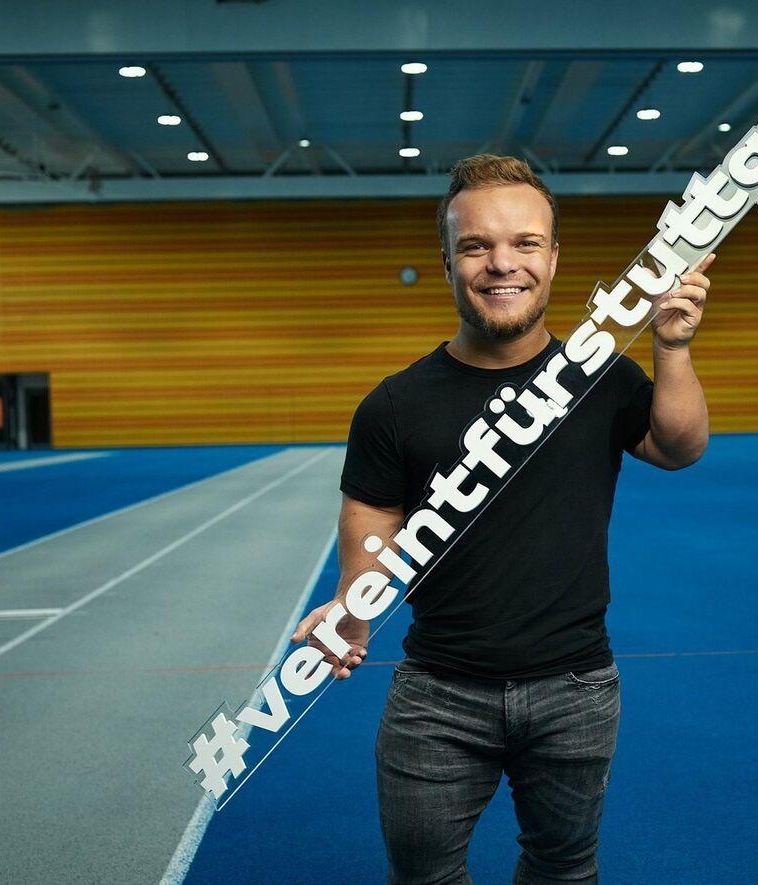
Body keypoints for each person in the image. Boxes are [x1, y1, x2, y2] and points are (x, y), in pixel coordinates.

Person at [291, 154, 711, 884]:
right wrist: (354, 604)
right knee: (422, 875)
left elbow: (679, 446)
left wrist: (669, 347)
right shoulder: (394, 404)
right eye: (476, 245)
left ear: (553, 257)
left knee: (562, 867)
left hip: (575, 688)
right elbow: (374, 507)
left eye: (523, 243)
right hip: (436, 694)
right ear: (448, 261)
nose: (500, 263)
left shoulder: (601, 376)